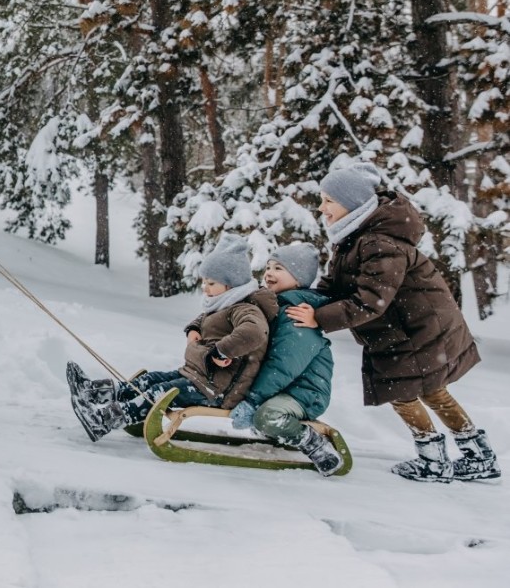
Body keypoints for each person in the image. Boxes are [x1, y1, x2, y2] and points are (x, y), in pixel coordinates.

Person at [286, 163, 498, 482]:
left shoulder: (377, 243)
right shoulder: (354, 238)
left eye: (328, 200)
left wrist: (319, 317)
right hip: (410, 329)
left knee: (404, 393)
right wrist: (305, 300)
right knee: (432, 391)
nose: (322, 207)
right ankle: (478, 455)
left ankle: (433, 460)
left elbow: (372, 300)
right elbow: (335, 287)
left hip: (414, 331)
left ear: (353, 204)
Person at [67, 234, 277, 442]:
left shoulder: (246, 309)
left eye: (211, 283)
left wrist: (221, 350)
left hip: (216, 389)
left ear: (230, 286)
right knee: (149, 380)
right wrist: (193, 328)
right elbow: (206, 319)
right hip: (196, 376)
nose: (205, 288)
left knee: (158, 392)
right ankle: (92, 393)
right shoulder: (224, 304)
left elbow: (254, 332)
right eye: (204, 282)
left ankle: (103, 421)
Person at [227, 244, 342, 476]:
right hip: (282, 387)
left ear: (299, 280)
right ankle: (273, 425)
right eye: (268, 267)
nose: (269, 272)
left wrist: (254, 399)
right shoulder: (274, 307)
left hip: (305, 393)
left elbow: (283, 365)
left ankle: (314, 444)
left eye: (279, 268)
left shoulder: (295, 314)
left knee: (267, 417)